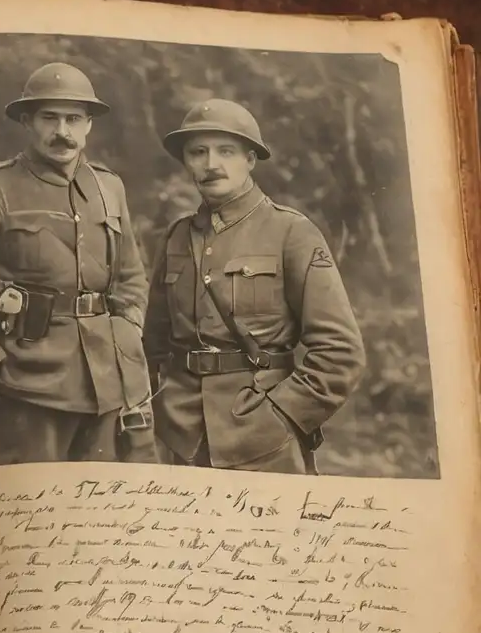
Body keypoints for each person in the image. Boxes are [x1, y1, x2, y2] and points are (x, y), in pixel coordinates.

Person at [0, 62, 156, 469]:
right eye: (50, 118)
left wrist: (126, 332)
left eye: (74, 119)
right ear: (27, 121)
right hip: (26, 386)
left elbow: (131, 276)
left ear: (89, 125)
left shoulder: (108, 187)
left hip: (106, 382)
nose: (63, 131)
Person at [143, 99, 365, 474]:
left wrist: (280, 416)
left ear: (250, 159)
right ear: (186, 162)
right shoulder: (178, 237)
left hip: (263, 443)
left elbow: (341, 353)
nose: (212, 163)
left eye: (226, 151)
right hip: (179, 441)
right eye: (198, 152)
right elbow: (154, 344)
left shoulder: (291, 232)